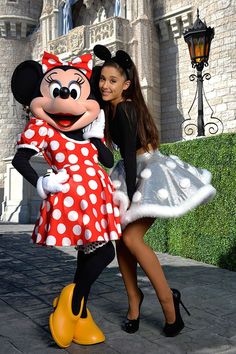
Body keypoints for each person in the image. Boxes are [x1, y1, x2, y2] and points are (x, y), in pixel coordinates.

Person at [93, 44, 216, 337]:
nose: (105, 85)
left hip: (146, 171)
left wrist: (135, 194)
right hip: (131, 169)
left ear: (127, 84)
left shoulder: (124, 109)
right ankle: (134, 302)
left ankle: (169, 305)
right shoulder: (111, 110)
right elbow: (117, 156)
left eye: (113, 80)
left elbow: (131, 159)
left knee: (132, 238)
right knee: (122, 241)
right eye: (103, 79)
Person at [11, 51, 122, 348]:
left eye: (75, 92)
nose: (66, 101)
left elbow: (108, 161)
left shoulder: (86, 134)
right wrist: (42, 182)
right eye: (58, 92)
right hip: (71, 202)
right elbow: (20, 160)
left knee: (88, 255)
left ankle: (80, 313)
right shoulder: (44, 128)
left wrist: (97, 137)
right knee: (104, 254)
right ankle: (72, 304)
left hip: (95, 203)